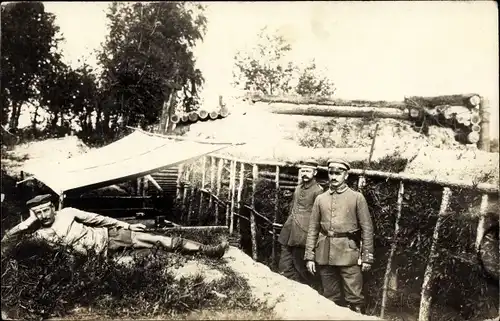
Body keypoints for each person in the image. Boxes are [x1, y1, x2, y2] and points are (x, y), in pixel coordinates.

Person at [1, 194, 229, 259]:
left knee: (159, 240)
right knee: (156, 257)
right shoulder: (38, 233)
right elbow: (6, 243)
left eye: (44, 210)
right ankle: (192, 257)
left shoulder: (67, 213)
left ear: (52, 207)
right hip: (101, 257)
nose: (42, 215)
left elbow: (98, 219)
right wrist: (26, 223)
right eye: (37, 212)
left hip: (112, 237)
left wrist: (126, 225)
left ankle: (208, 250)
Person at [305, 159, 374, 314]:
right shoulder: (320, 199)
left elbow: (367, 229)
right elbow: (313, 229)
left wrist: (367, 257)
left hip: (348, 253)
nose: (334, 177)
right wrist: (310, 256)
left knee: (355, 298)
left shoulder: (357, 198)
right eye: (331, 173)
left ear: (346, 175)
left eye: (338, 173)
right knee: (329, 297)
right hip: (324, 253)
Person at [277, 159, 324, 291]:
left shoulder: (318, 191)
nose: (304, 173)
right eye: (302, 170)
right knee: (284, 263)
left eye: (308, 171)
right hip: (290, 229)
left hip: (304, 232)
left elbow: (319, 215)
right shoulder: (298, 189)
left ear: (314, 173)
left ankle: (305, 290)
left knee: (301, 266)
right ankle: (288, 287)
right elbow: (293, 208)